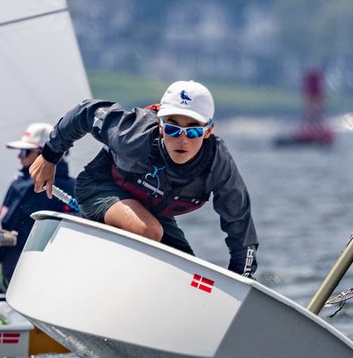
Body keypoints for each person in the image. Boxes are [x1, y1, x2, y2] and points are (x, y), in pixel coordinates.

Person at [29, 80, 259, 277]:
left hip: (151, 210)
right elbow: (86, 112)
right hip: (100, 188)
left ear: (208, 130)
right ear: (159, 124)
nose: (182, 140)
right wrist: (49, 156)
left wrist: (242, 279)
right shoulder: (132, 133)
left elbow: (240, 224)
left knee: (185, 271)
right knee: (148, 231)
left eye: (193, 131)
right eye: (173, 128)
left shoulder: (218, 164)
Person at [0, 122, 76, 292]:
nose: (19, 157)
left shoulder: (22, 187)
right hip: (59, 279)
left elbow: (1, 232)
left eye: (24, 151)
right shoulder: (76, 186)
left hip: (18, 278)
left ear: (42, 154)